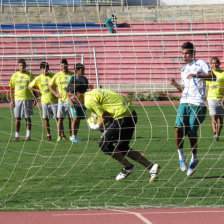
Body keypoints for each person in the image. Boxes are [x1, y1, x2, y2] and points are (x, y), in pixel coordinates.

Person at [66, 82, 160, 182]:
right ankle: (151, 167)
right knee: (122, 147)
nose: (71, 99)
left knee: (104, 144)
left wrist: (96, 126)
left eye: (71, 95)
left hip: (121, 116)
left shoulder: (88, 101)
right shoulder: (93, 92)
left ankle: (128, 167)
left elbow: (106, 115)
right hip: (131, 114)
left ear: (78, 93)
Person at [170, 42, 215, 176]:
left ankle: (194, 158)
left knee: (190, 131)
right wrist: (175, 84)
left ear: (193, 53)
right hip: (184, 102)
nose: (184, 56)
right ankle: (181, 158)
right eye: (183, 54)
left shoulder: (200, 63)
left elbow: (213, 76)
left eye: (187, 53)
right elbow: (183, 89)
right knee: (178, 129)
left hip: (197, 104)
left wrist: (197, 75)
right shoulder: (183, 70)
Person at [29, 62, 58, 141]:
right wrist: (39, 91)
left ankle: (61, 135)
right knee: (46, 118)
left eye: (47, 68)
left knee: (58, 118)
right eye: (44, 69)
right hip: (44, 101)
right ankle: (48, 135)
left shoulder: (53, 76)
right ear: (41, 70)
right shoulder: (38, 78)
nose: (46, 70)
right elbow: (29, 86)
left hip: (54, 101)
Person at [9, 59, 37, 141]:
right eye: (20, 65)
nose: (22, 67)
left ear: (26, 66)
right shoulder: (14, 76)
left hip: (28, 99)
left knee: (28, 118)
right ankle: (16, 136)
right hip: (18, 99)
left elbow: (33, 87)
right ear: (18, 66)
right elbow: (11, 89)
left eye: (23, 65)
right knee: (18, 118)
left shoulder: (30, 75)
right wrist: (12, 100)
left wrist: (34, 98)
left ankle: (28, 136)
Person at [48, 59, 73, 141]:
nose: (63, 67)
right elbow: (50, 85)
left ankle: (72, 136)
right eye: (61, 66)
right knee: (60, 119)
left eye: (65, 65)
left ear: (67, 65)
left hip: (70, 100)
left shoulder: (72, 75)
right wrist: (55, 93)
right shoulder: (57, 75)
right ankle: (59, 136)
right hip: (61, 101)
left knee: (71, 119)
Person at [66, 63, 90, 143]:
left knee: (78, 119)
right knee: (75, 118)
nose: (84, 71)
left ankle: (75, 136)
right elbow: (67, 91)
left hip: (81, 102)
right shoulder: (72, 78)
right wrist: (70, 101)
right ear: (77, 70)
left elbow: (87, 90)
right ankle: (72, 137)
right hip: (72, 101)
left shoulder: (84, 79)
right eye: (82, 70)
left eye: (84, 69)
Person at [206, 57, 224, 141]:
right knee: (214, 117)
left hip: (221, 98)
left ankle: (218, 135)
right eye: (213, 63)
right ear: (211, 64)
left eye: (216, 63)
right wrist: (206, 97)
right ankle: (214, 134)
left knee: (220, 118)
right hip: (211, 98)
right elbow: (207, 86)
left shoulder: (223, 73)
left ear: (219, 63)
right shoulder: (209, 74)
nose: (214, 65)